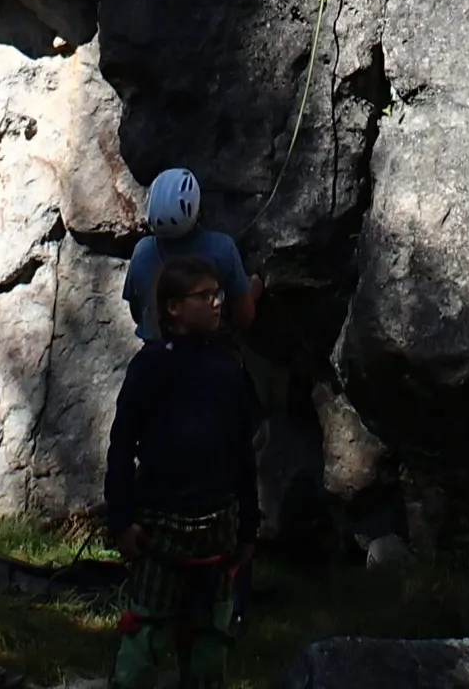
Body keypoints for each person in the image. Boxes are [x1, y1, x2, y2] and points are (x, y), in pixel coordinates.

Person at [105, 254, 259, 689]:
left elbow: (242, 455)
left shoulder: (227, 371)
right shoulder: (150, 367)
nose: (216, 304)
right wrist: (121, 521)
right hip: (159, 526)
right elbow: (121, 446)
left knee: (211, 636)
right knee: (145, 634)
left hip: (218, 526)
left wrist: (248, 528)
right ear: (173, 308)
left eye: (218, 295)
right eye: (205, 296)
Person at [121, 169, 260, 343]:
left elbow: (137, 311)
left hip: (155, 357)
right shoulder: (222, 249)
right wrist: (251, 291)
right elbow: (244, 318)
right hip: (209, 355)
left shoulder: (142, 251)